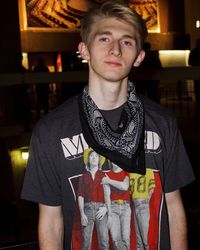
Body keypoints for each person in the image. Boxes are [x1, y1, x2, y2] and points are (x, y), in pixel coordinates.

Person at [21, 1, 195, 249]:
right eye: (104, 39)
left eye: (127, 42)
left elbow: (174, 207)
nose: (115, 50)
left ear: (139, 57)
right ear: (84, 50)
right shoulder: (49, 131)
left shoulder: (163, 122)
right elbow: (50, 220)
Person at [77, 148, 109, 250]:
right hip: (88, 209)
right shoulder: (84, 176)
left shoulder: (104, 176)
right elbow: (80, 195)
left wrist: (106, 208)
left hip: (101, 209)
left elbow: (109, 195)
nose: (94, 158)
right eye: (91, 156)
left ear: (99, 160)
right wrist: (82, 214)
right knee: (86, 240)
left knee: (104, 240)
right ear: (88, 159)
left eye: (96, 156)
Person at [102, 161, 131, 250]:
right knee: (115, 239)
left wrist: (109, 181)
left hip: (125, 207)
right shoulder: (106, 175)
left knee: (126, 238)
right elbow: (107, 196)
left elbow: (124, 186)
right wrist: (109, 215)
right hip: (113, 208)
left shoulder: (126, 173)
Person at [188, 38, 200, 106]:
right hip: (196, 73)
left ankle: (198, 102)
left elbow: (190, 62)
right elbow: (190, 62)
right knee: (197, 88)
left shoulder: (193, 51)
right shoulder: (193, 51)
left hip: (195, 72)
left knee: (197, 88)